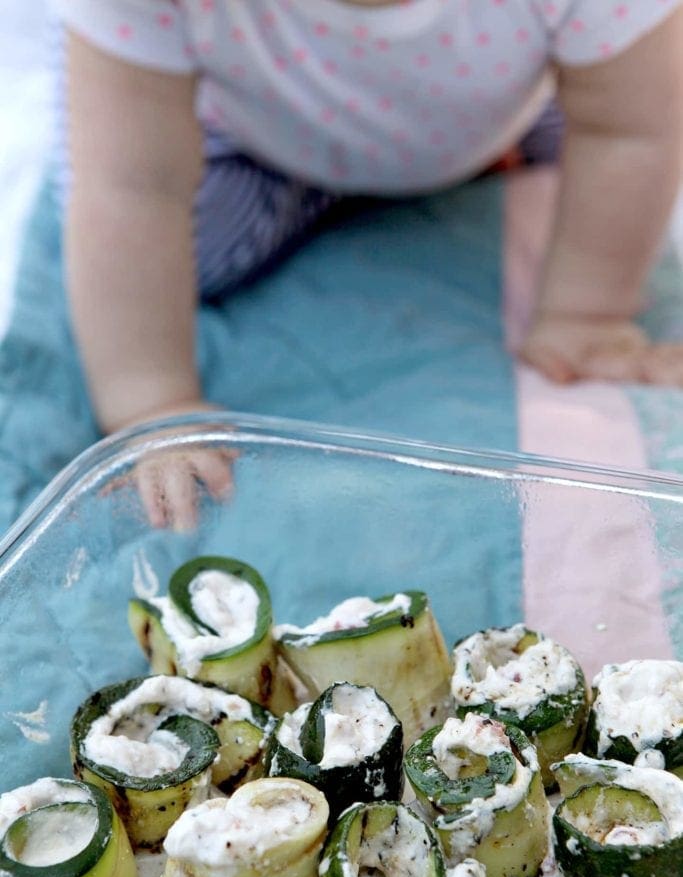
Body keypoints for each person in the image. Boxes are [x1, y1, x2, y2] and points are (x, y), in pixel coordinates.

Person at [53, 0, 683, 526]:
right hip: (264, 143)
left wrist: (587, 315)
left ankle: (482, 163)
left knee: (615, 146)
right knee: (182, 250)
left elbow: (629, 128)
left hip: (493, 114)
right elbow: (131, 184)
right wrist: (153, 405)